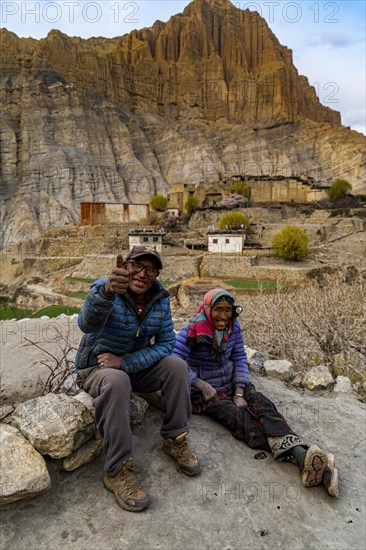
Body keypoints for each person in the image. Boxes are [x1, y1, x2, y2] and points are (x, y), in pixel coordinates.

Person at [172, 288, 338, 498]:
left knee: (263, 406)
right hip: (205, 392)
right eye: (218, 310)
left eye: (228, 310)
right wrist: (201, 384)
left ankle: (307, 460)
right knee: (240, 419)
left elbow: (240, 357)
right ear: (207, 309)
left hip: (232, 383)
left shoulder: (234, 329)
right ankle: (303, 457)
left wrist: (240, 391)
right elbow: (174, 365)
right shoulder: (192, 331)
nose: (224, 316)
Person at [75, 245, 201, 513]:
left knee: (177, 366)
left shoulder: (159, 299)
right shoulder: (105, 288)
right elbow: (86, 324)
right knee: (118, 381)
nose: (142, 274)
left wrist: (127, 362)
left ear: (156, 274)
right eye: (137, 266)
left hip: (131, 367)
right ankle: (117, 469)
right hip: (97, 368)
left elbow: (167, 342)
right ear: (127, 264)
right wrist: (107, 292)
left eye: (151, 269)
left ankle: (175, 440)